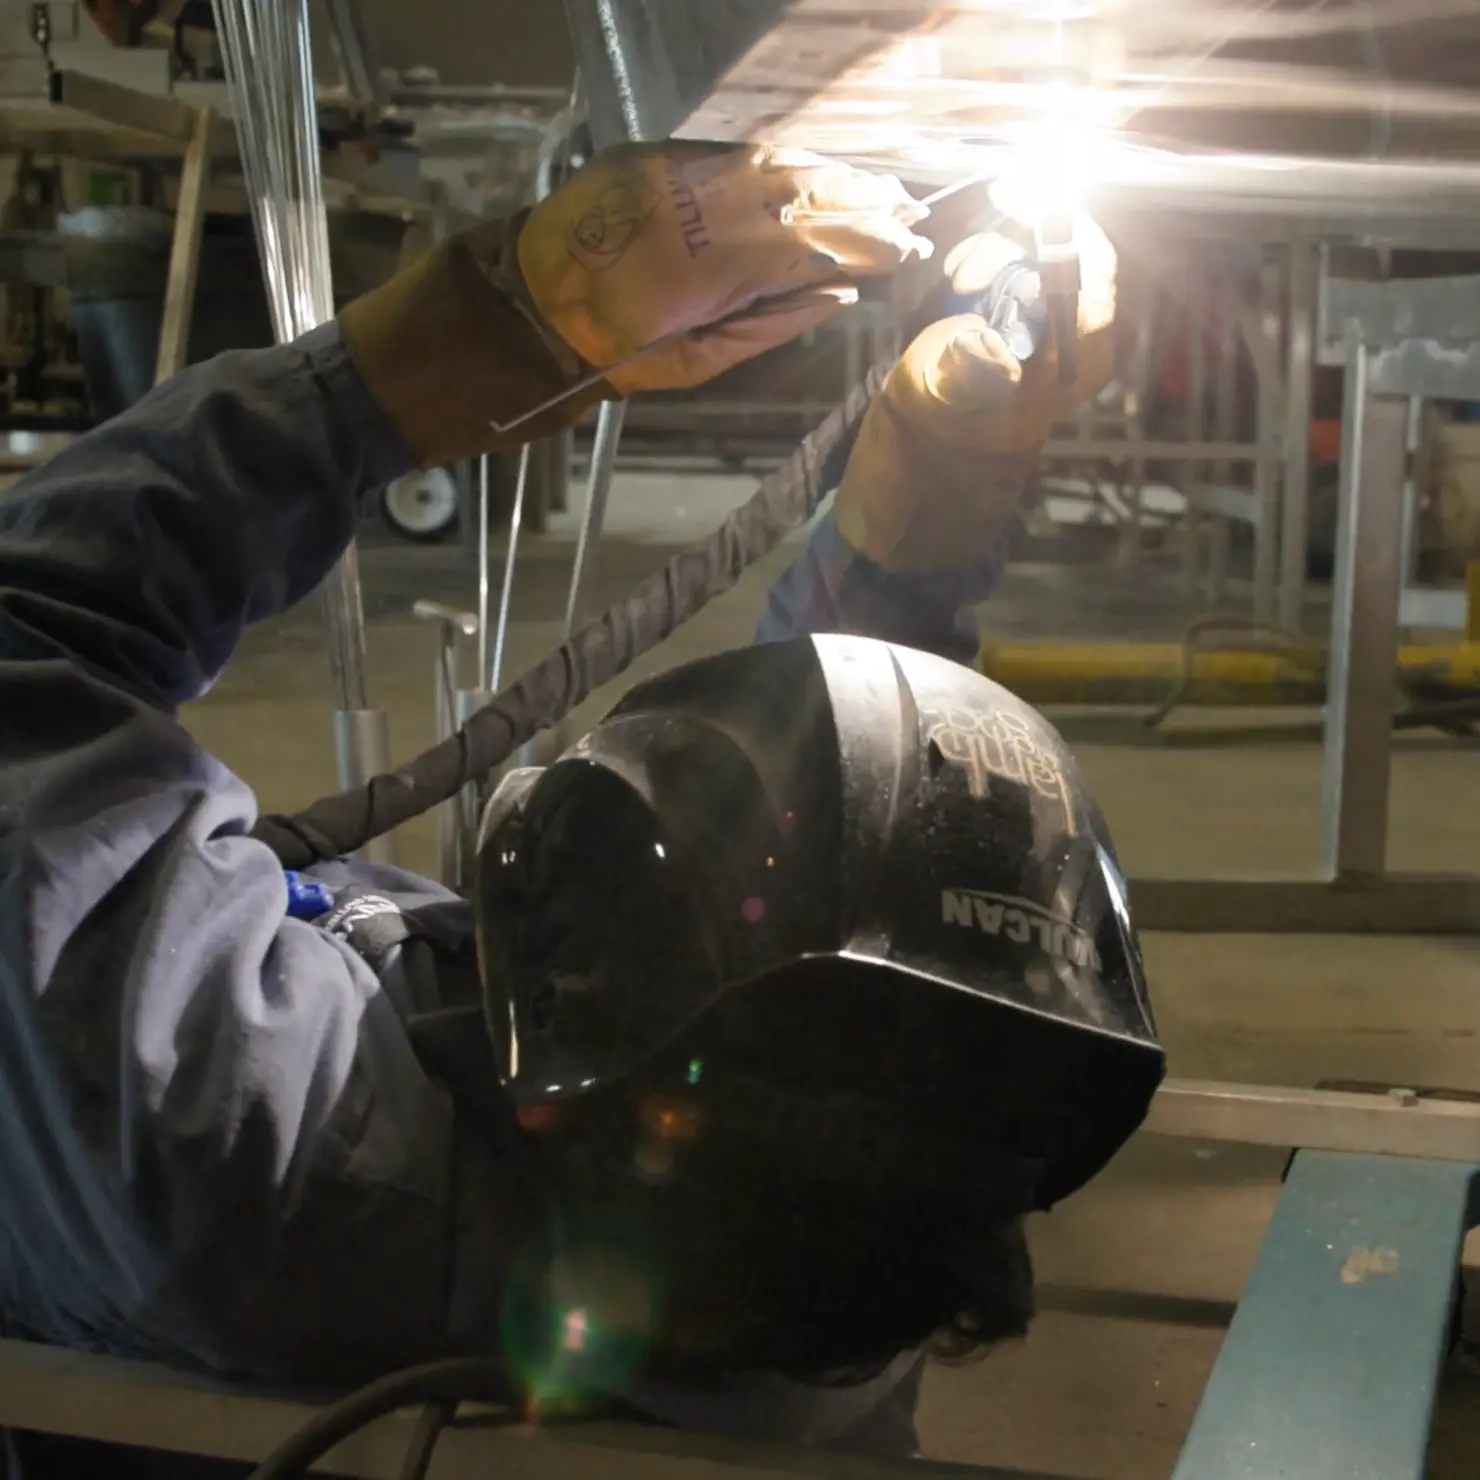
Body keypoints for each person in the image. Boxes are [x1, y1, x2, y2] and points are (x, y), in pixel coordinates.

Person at [0, 141, 1159, 1476]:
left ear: (562, 982)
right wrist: (914, 545)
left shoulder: (233, 1124)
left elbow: (30, 645)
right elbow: (846, 924)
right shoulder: (865, 1247)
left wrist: (443, 352)